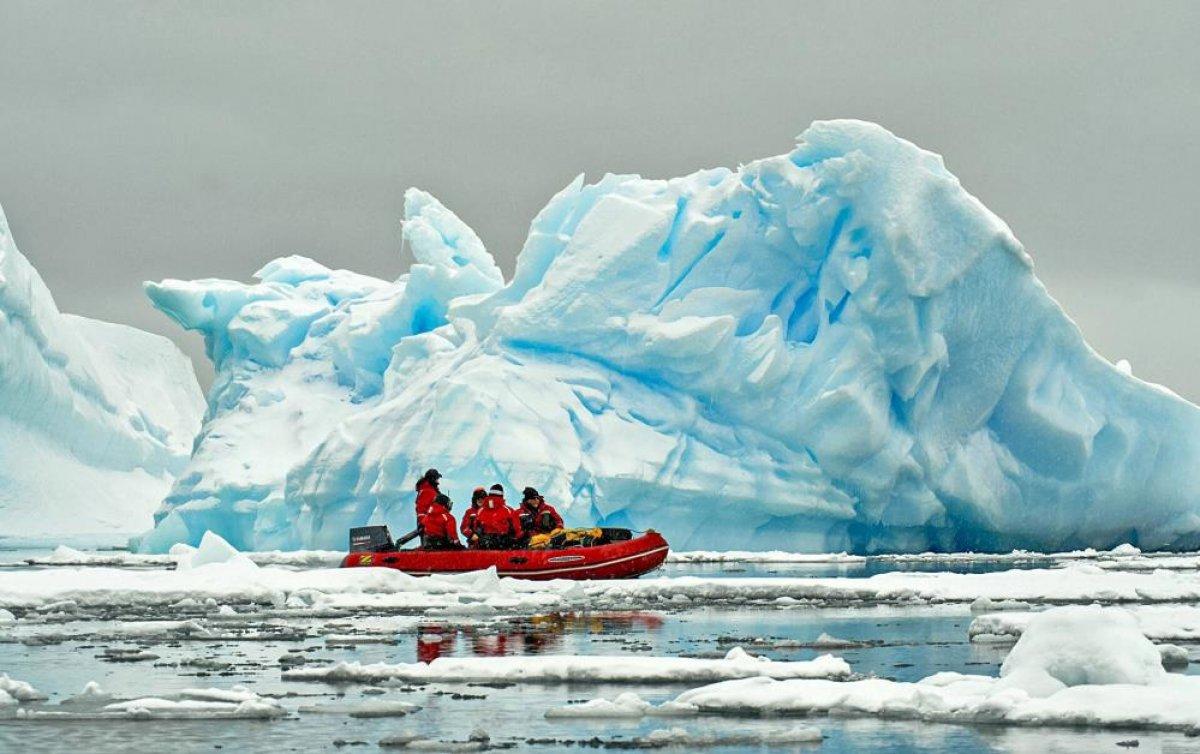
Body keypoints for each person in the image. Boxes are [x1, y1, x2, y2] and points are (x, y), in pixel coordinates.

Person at [474, 484, 519, 549]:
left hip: (485, 546)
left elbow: (476, 528)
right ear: (502, 495)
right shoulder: (508, 510)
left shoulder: (480, 511)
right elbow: (517, 529)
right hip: (504, 546)